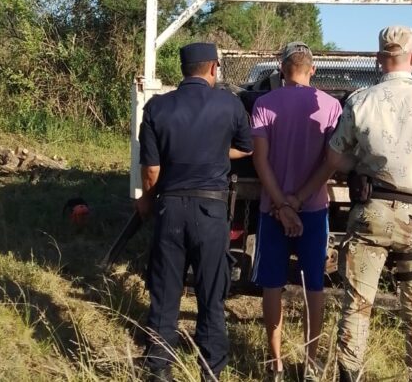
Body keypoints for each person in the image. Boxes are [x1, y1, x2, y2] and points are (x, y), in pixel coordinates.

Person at [294, 26, 412, 381]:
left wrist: (362, 164)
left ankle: (349, 375)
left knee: (356, 306)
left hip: (371, 213)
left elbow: (335, 157)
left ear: (378, 59)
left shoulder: (360, 101)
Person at [136, 42, 253, 382]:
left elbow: (152, 171)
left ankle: (159, 369)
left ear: (184, 69)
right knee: (211, 293)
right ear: (214, 68)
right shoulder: (230, 105)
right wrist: (216, 151)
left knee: (165, 291)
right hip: (211, 211)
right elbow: (246, 148)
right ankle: (211, 370)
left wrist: (146, 199)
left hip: (170, 207)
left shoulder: (158, 107)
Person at [250, 41, 343, 381]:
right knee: (313, 287)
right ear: (312, 70)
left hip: (271, 210)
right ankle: (311, 363)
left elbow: (259, 158)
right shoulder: (331, 106)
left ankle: (275, 364)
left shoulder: (264, 103)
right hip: (314, 209)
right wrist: (300, 201)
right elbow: (333, 161)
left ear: (281, 70)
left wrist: (281, 204)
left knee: (272, 286)